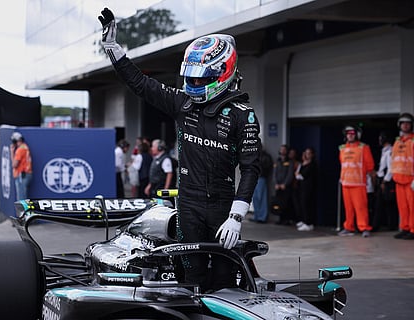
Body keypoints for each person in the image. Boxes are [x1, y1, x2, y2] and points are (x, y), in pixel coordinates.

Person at [98, 8, 261, 292]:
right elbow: (140, 84)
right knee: (190, 278)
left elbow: (251, 168)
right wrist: (113, 48)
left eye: (201, 78)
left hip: (223, 208)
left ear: (222, 72)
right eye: (191, 77)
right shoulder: (181, 104)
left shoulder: (241, 114)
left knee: (225, 280)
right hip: (188, 206)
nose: (194, 84)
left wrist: (236, 217)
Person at [338, 125, 375, 237]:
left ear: (357, 135)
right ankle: (348, 227)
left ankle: (364, 227)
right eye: (348, 133)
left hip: (358, 182)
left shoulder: (364, 147)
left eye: (352, 133)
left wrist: (370, 181)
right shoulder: (342, 148)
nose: (350, 135)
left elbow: (370, 165)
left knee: (361, 207)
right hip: (346, 182)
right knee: (348, 208)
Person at [391, 113, 414, 240]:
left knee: (413, 207)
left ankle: (413, 229)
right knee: (403, 207)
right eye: (403, 123)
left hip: (411, 180)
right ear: (399, 125)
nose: (405, 125)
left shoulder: (413, 141)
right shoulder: (397, 142)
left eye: (408, 123)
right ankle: (405, 228)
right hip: (399, 179)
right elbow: (394, 160)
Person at [372, 131, 397, 231]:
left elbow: (391, 168)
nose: (379, 140)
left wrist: (385, 181)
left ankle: (388, 225)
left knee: (387, 204)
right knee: (381, 204)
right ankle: (382, 225)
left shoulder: (390, 151)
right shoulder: (384, 150)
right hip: (381, 178)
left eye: (381, 138)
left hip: (387, 180)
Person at [295, 147, 318, 231]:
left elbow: (301, 175)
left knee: (307, 205)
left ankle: (308, 223)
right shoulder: (303, 163)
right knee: (302, 204)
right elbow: (298, 174)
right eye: (306, 153)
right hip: (302, 187)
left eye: (309, 153)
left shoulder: (312, 165)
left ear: (312, 154)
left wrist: (299, 174)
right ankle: (304, 220)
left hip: (309, 188)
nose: (307, 155)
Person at [272, 144, 295, 225]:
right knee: (279, 203)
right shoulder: (277, 161)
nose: (282, 151)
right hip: (278, 186)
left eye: (284, 149)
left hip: (286, 186)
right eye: (281, 149)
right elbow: (274, 173)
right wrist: (276, 183)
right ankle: (280, 219)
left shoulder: (290, 161)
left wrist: (285, 184)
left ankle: (286, 219)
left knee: (286, 203)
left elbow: (290, 174)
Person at [250, 144, 273, 223]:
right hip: (254, 178)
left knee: (262, 198)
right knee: (255, 198)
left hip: (261, 178)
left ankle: (262, 217)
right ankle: (256, 216)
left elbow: (268, 167)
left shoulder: (266, 156)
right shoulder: (253, 155)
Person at [10, 132, 32, 201]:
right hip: (27, 173)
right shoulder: (25, 147)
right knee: (23, 196)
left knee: (21, 198)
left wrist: (11, 152)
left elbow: (14, 164)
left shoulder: (19, 150)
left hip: (22, 175)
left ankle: (22, 212)